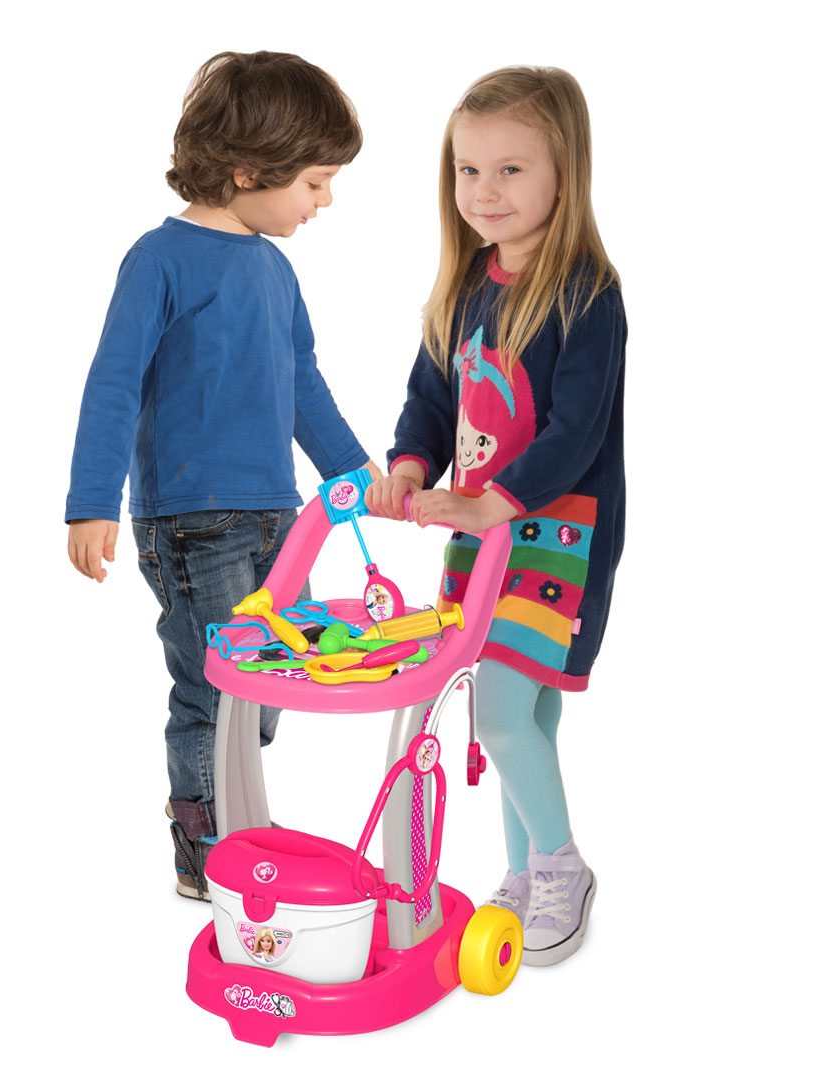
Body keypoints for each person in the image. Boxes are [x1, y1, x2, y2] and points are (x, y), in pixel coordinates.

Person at [65, 51, 378, 902]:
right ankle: (206, 847)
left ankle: (238, 817)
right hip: (193, 521)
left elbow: (303, 382)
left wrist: (357, 473)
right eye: (314, 183)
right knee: (215, 689)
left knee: (271, 685)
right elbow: (114, 382)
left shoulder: (275, 268)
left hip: (281, 516)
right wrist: (93, 501)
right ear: (247, 171)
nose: (325, 200)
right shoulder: (159, 260)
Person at [366, 66, 626, 966]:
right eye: (468, 170)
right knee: (526, 717)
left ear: (565, 172)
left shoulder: (587, 292)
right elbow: (431, 399)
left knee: (504, 714)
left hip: (559, 534)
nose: (485, 191)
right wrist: (410, 465)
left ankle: (560, 864)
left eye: (511, 170)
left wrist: (491, 500)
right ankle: (522, 872)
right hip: (482, 538)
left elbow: (576, 431)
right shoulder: (467, 285)